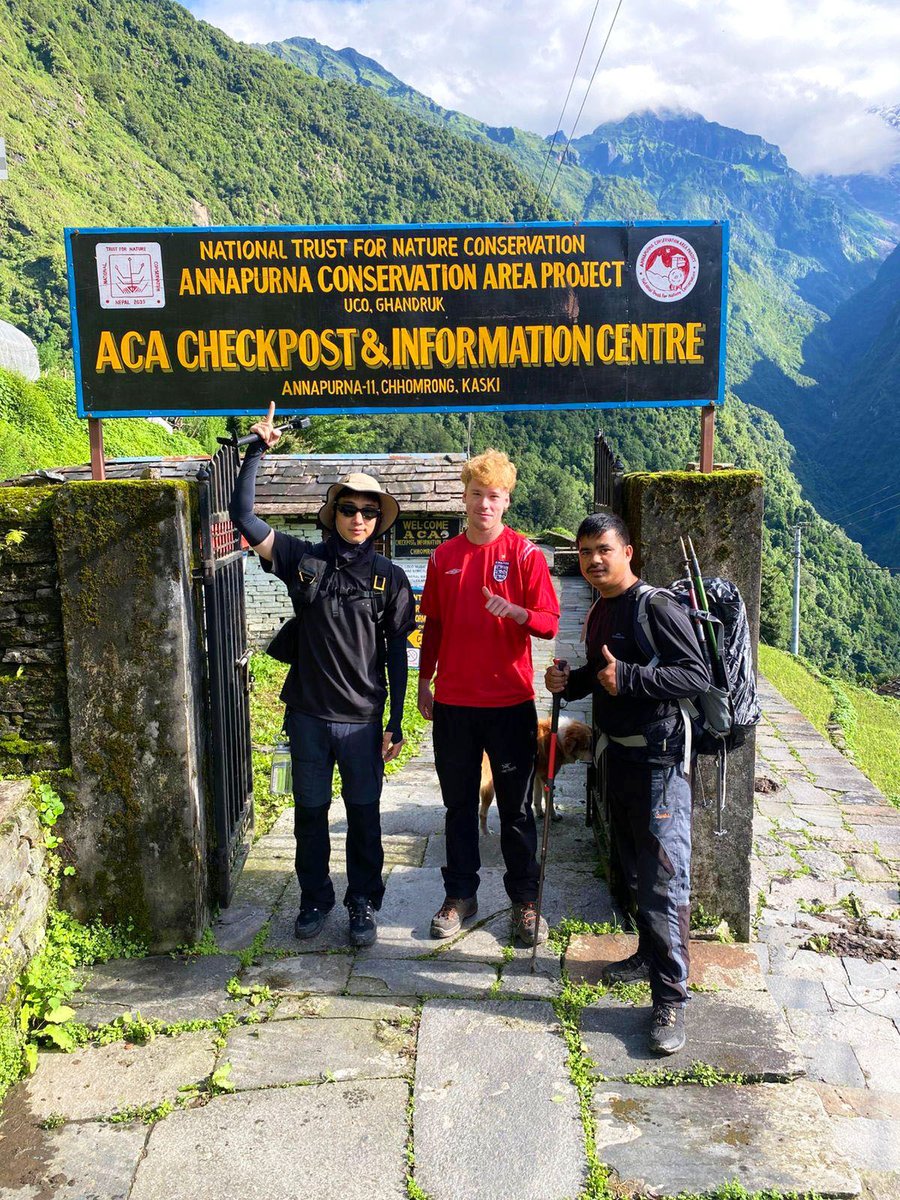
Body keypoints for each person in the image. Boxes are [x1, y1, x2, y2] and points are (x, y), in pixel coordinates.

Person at [228, 403, 416, 948]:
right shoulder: (302, 561)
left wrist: (396, 723)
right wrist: (256, 449)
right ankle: (314, 898)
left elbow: (397, 656)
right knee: (309, 815)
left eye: (368, 510)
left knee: (364, 820)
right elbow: (243, 516)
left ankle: (361, 903)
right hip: (307, 717)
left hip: (361, 724)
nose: (358, 517)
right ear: (333, 513)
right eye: (349, 507)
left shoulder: (390, 579)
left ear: (379, 520)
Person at [545, 513, 710, 1053]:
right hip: (619, 759)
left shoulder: (655, 606)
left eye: (604, 549)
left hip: (661, 762)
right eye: (586, 550)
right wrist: (569, 686)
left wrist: (632, 678)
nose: (594, 559)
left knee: (665, 878)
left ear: (628, 551)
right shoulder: (599, 612)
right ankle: (647, 953)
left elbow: (697, 673)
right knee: (635, 869)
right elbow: (602, 673)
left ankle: (671, 999)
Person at [417, 449, 560, 946]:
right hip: (454, 703)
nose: (483, 504)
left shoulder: (525, 555)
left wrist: (518, 612)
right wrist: (423, 681)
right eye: (476, 494)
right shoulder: (443, 557)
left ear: (506, 502)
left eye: (493, 496)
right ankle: (460, 895)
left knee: (517, 809)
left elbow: (549, 622)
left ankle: (525, 903)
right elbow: (432, 625)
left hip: (509, 703)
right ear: (465, 497)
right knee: (458, 806)